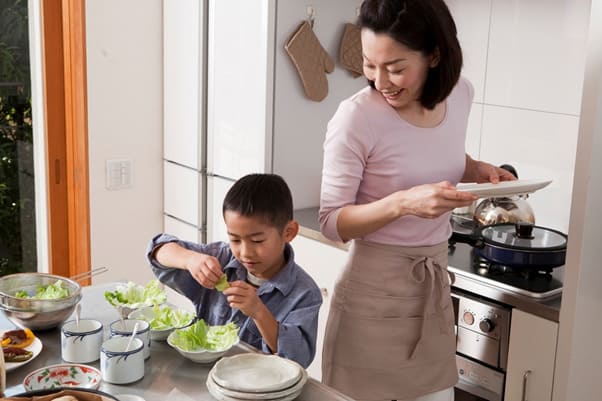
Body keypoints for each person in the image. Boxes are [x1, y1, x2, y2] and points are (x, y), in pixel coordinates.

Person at [319, 1, 516, 400]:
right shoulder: (355, 117)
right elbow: (331, 221)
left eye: (395, 67)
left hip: (431, 294)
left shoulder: (460, 94)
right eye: (370, 65)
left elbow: (432, 152)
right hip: (370, 302)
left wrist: (475, 169)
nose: (380, 81)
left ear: (435, 55)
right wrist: (403, 204)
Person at [147, 173, 322, 368]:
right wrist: (190, 260)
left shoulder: (305, 293)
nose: (245, 252)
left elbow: (298, 358)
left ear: (288, 232)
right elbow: (157, 251)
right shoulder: (221, 258)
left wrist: (258, 312)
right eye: (235, 240)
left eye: (257, 241)